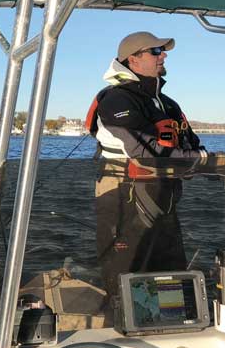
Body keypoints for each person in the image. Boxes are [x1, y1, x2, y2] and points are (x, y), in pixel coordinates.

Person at [85, 31, 207, 298]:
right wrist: (198, 161)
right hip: (121, 193)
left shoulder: (169, 104)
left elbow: (191, 144)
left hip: (164, 196)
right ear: (133, 60)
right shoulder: (116, 99)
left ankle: (173, 323)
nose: (163, 55)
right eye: (155, 51)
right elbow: (142, 150)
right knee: (127, 273)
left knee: (170, 270)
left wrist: (222, 165)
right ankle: (122, 330)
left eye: (162, 51)